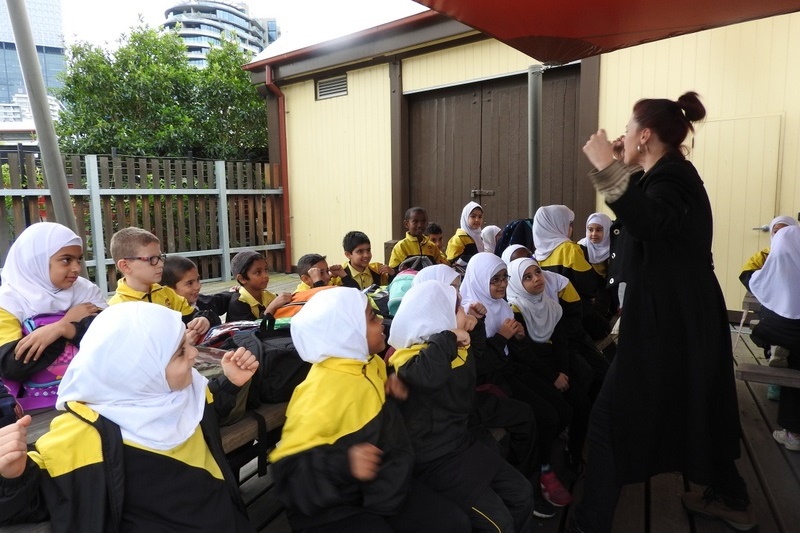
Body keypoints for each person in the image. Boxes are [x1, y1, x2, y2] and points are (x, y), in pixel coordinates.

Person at [575, 91, 755, 532]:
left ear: (646, 134)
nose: (622, 135)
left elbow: (649, 221)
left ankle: (587, 523)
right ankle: (732, 498)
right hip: (680, 319)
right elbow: (646, 215)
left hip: (667, 323)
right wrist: (624, 166)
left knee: (608, 421)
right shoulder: (668, 176)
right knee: (699, 403)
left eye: (629, 129)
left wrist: (606, 165)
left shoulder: (672, 179)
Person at [0, 301, 259, 531]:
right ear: (140, 369)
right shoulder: (80, 435)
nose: (194, 354)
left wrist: (232, 383)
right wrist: (11, 474)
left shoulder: (186, 394)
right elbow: (28, 503)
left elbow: (213, 413)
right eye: (180, 351)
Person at [269, 287, 470, 533]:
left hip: (383, 487)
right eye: (372, 318)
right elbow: (288, 473)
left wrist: (392, 386)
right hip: (336, 510)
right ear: (348, 331)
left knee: (454, 524)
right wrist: (344, 462)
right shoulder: (320, 393)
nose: (381, 322)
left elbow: (366, 406)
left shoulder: (369, 362)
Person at [388, 280, 533, 532]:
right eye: (458, 308)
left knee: (522, 493)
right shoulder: (409, 360)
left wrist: (472, 329)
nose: (464, 312)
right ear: (439, 316)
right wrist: (448, 334)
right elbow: (427, 377)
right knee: (499, 524)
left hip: (462, 446)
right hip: (434, 460)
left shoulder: (453, 349)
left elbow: (478, 359)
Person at [0, 223, 106, 408]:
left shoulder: (86, 290)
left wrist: (64, 328)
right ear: (37, 261)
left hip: (92, 397)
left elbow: (112, 340)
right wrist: (67, 323)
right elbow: (11, 365)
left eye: (78, 260)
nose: (76, 268)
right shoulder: (8, 301)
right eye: (66, 260)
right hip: (34, 409)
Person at [108, 227, 215, 337]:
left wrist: (204, 319)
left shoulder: (167, 294)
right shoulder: (117, 309)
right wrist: (178, 344)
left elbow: (192, 317)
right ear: (125, 266)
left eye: (160, 257)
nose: (161, 264)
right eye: (152, 259)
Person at [748, 225, 800, 451]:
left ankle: (794, 433)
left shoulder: (771, 273)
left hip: (783, 332)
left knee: (790, 362)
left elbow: (753, 281)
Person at [532, 205, 610, 342]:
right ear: (558, 224)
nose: (570, 228)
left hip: (551, 314)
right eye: (568, 224)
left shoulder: (537, 254)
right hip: (577, 312)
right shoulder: (569, 249)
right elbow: (589, 285)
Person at [162, 255, 236, 319]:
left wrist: (235, 292)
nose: (198, 286)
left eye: (198, 280)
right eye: (190, 283)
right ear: (169, 289)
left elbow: (221, 299)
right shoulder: (168, 318)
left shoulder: (205, 303)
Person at [226, 250, 291, 321]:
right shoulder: (238, 303)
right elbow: (252, 330)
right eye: (258, 272)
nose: (265, 275)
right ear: (242, 279)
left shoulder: (269, 296)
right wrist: (272, 307)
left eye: (265, 270)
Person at [446, 201, 485, 268]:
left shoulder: (478, 237)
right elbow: (452, 262)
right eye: (473, 216)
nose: (477, 220)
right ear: (465, 217)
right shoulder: (458, 239)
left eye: (480, 217)